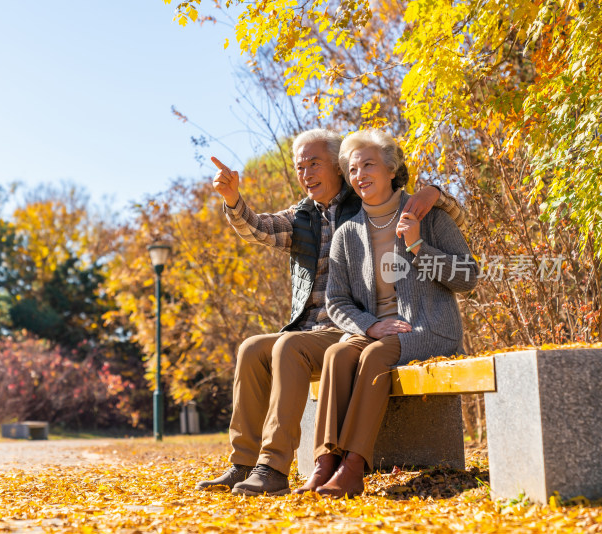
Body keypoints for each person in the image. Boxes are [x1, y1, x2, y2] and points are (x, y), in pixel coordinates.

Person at [195, 128, 467, 496]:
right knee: (252, 349)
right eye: (300, 166)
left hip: (360, 328)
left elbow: (438, 217)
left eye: (314, 163)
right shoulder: (306, 216)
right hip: (333, 327)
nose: (306, 173)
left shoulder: (367, 199)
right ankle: (244, 463)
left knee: (288, 348)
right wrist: (233, 200)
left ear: (338, 169)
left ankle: (275, 467)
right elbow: (260, 228)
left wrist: (433, 193)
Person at [302, 129, 478, 498]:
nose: (360, 175)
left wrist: (418, 246)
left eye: (368, 165)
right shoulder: (347, 233)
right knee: (337, 353)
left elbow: (468, 277)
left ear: (391, 169)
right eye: (352, 169)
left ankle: (352, 468)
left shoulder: (428, 215)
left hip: (429, 329)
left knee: (375, 356)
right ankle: (325, 464)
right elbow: (336, 301)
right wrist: (371, 325)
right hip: (378, 332)